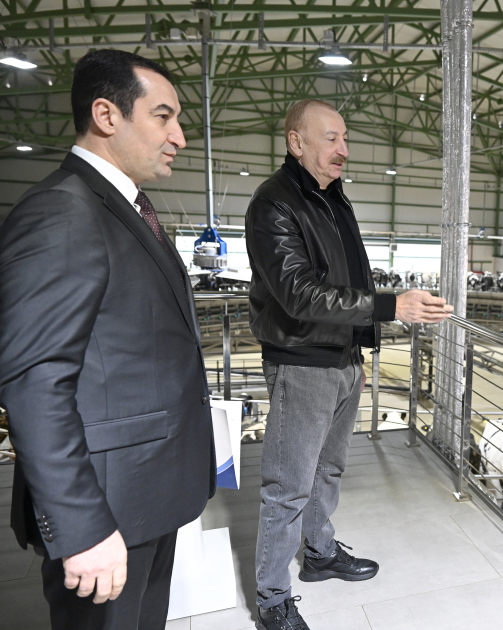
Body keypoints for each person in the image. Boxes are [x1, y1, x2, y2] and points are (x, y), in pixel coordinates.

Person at [0, 50, 215, 629]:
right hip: (107, 510)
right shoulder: (62, 212)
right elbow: (36, 384)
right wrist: (83, 527)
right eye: (164, 117)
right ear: (106, 114)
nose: (180, 136)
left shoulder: (127, 208)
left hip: (147, 495)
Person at [245, 99, 453, 630]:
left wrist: (358, 350)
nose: (344, 149)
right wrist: (392, 307)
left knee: (329, 469)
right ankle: (271, 598)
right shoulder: (275, 204)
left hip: (339, 358)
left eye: (344, 138)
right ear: (297, 142)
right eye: (332, 138)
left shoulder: (334, 201)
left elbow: (351, 277)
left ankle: (318, 554)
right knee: (288, 484)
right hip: (301, 361)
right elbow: (299, 294)